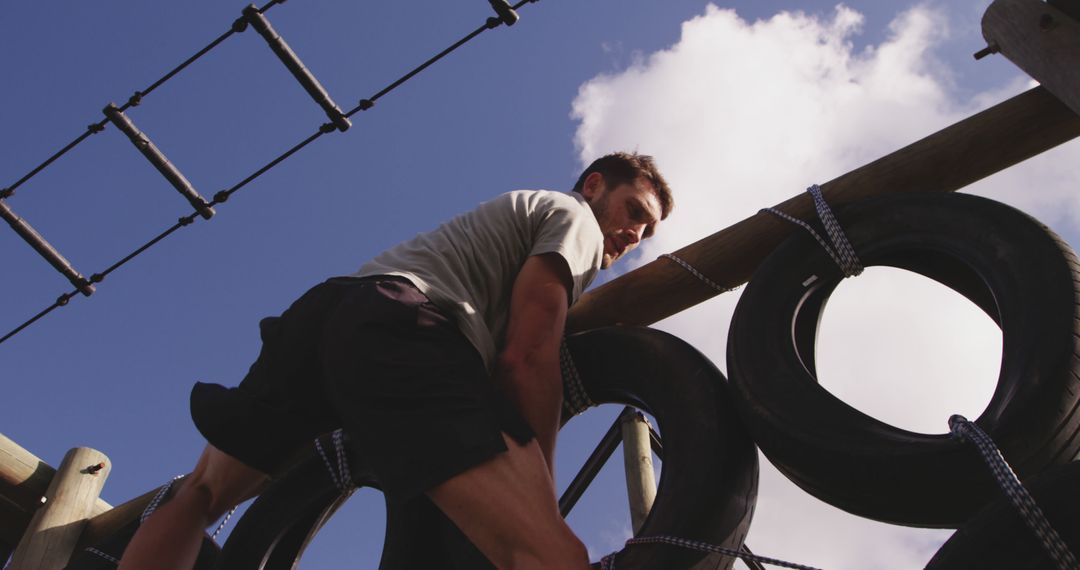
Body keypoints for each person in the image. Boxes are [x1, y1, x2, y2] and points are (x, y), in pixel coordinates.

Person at [118, 152, 673, 570]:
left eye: (647, 231)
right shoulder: (574, 217)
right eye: (634, 211)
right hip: (403, 326)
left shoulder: (510, 216)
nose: (635, 234)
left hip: (327, 312)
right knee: (548, 553)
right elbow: (528, 355)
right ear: (595, 184)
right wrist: (540, 495)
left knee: (201, 494)